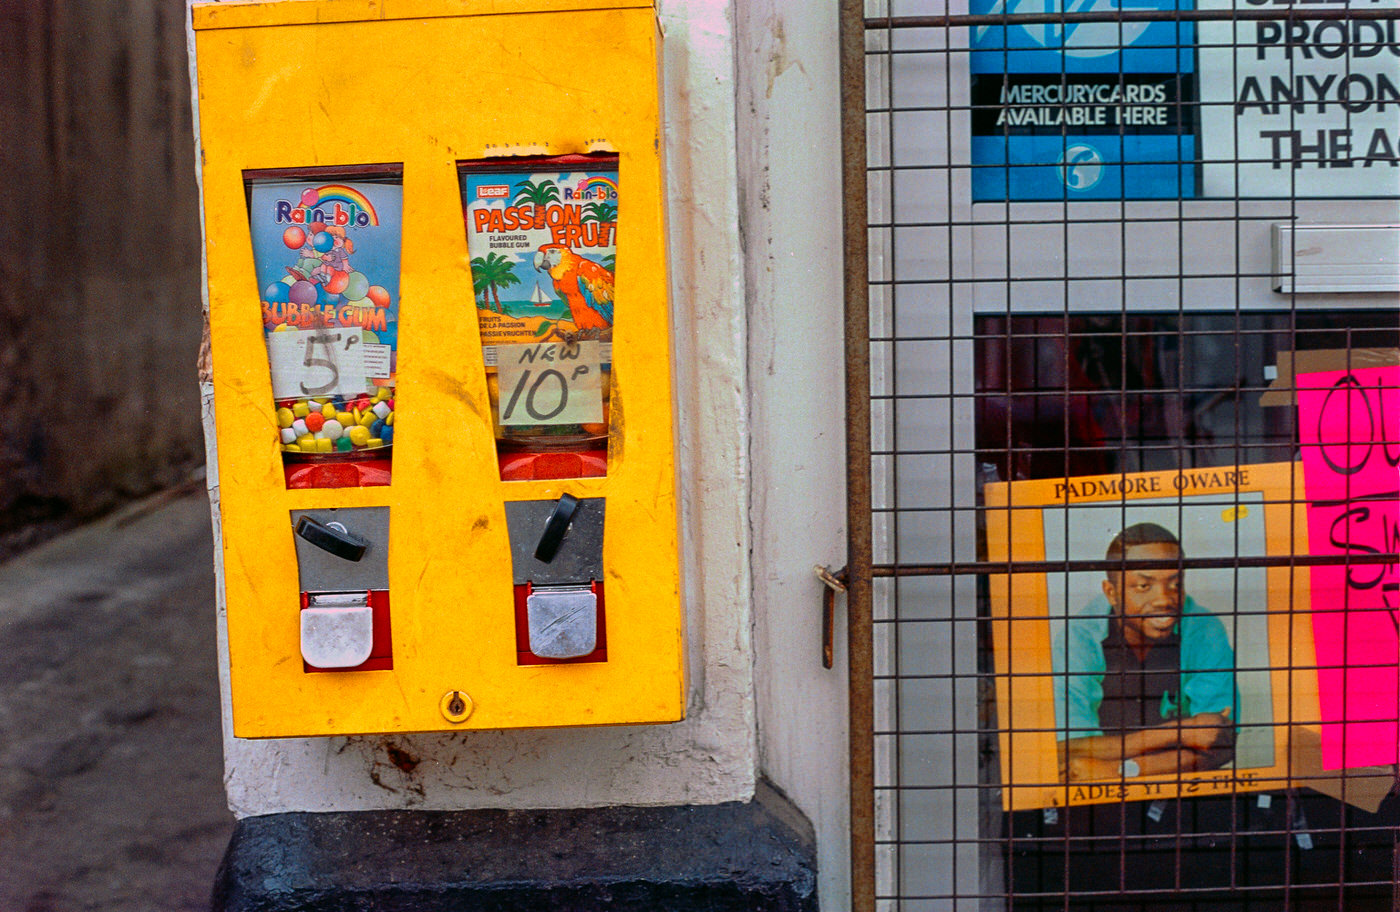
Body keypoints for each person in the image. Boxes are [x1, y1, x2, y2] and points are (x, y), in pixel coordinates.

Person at [1052, 522, 1237, 782]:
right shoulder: (1079, 638)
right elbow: (1063, 749)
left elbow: (1222, 741)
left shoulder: (1204, 629)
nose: (1164, 599)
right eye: (1143, 586)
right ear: (1111, 593)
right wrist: (1181, 731)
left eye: (1175, 584)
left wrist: (1118, 771)